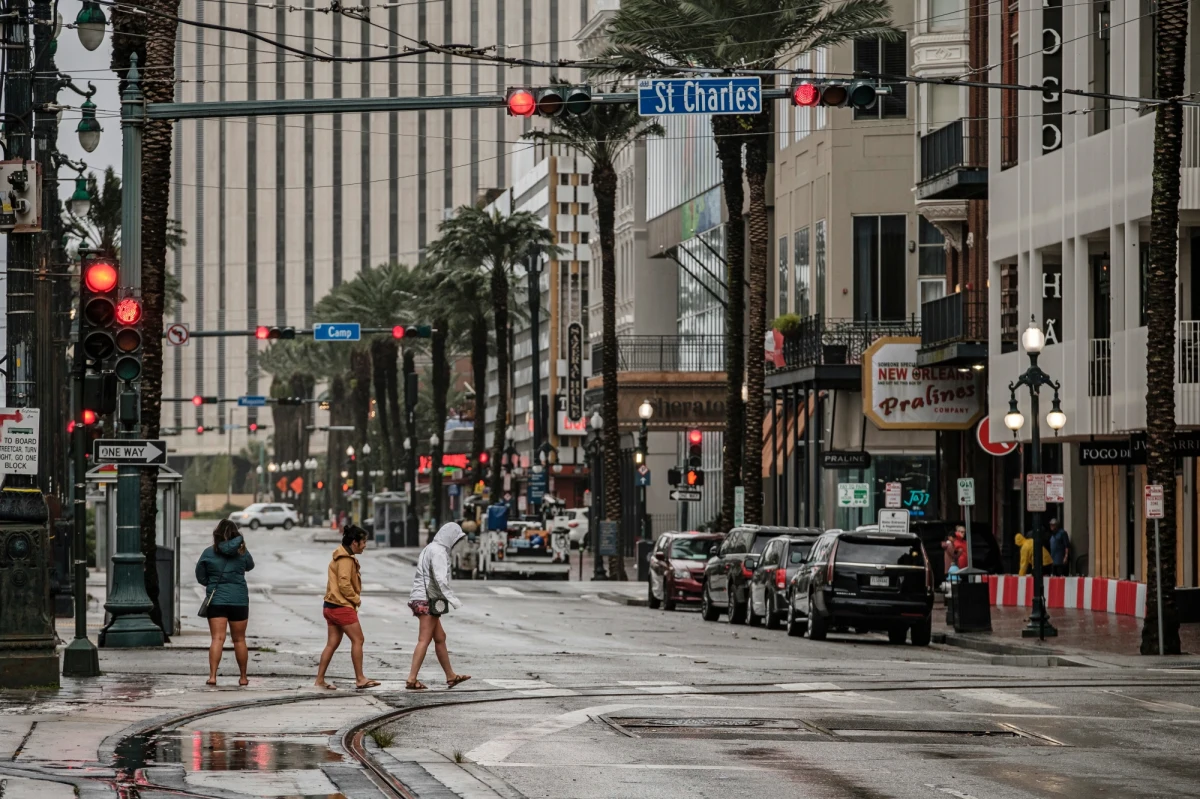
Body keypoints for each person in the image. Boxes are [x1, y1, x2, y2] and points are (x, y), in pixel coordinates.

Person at [406, 522, 471, 691]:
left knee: (440, 637)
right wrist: (454, 600)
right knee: (424, 639)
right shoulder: (439, 552)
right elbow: (441, 580)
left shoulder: (430, 548)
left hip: (420, 597)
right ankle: (412, 678)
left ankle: (450, 675)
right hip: (428, 599)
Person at [314, 525, 380, 690]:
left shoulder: (340, 556)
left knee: (332, 643)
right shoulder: (345, 559)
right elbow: (344, 584)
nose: (365, 545)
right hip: (341, 606)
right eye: (363, 542)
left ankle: (320, 680)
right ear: (354, 542)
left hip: (331, 605)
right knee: (358, 639)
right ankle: (360, 678)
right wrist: (355, 599)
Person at [196, 519, 255, 687]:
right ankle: (243, 677)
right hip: (239, 600)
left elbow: (200, 576)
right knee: (239, 640)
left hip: (217, 601)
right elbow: (250, 566)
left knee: (217, 639)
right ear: (236, 534)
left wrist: (212, 582)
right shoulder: (242, 551)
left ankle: (213, 676)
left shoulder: (208, 552)